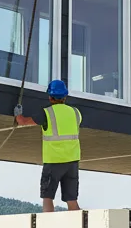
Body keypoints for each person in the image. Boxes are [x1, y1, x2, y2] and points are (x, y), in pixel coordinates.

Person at [16, 79, 82, 212]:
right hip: (72, 162)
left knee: (48, 197)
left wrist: (18, 113)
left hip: (54, 161)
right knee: (72, 199)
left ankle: (48, 227)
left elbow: (22, 122)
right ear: (65, 96)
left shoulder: (47, 113)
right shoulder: (76, 113)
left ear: (50, 97)